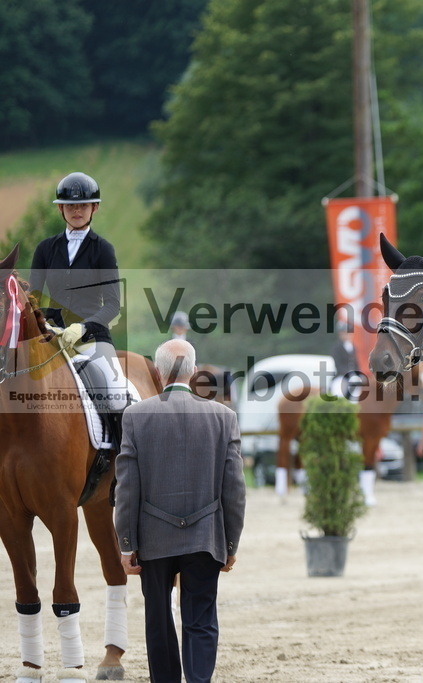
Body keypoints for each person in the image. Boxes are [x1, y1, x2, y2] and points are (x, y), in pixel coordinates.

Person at [114, 339, 246, 683]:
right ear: (194, 371)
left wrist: (127, 543)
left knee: (158, 620)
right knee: (200, 619)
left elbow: (127, 488)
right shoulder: (224, 417)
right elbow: (234, 490)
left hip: (153, 539)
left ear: (158, 372)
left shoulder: (135, 416)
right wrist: (230, 544)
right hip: (205, 537)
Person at [29, 171, 129, 457]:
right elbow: (33, 297)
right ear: (60, 208)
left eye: (83, 206)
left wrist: (82, 327)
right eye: (70, 206)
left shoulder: (103, 250)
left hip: (91, 336)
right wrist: (45, 324)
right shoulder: (45, 249)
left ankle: (120, 466)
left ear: (94, 208)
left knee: (113, 391)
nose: (76, 211)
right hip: (50, 335)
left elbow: (112, 305)